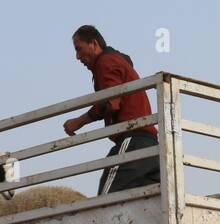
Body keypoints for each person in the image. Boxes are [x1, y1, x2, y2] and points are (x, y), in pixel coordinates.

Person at [64, 25, 160, 193]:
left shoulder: (105, 62)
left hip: (133, 139)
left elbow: (112, 101)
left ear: (94, 44)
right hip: (151, 145)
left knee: (107, 199)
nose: (77, 57)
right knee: (147, 204)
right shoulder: (117, 61)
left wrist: (79, 122)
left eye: (79, 49)